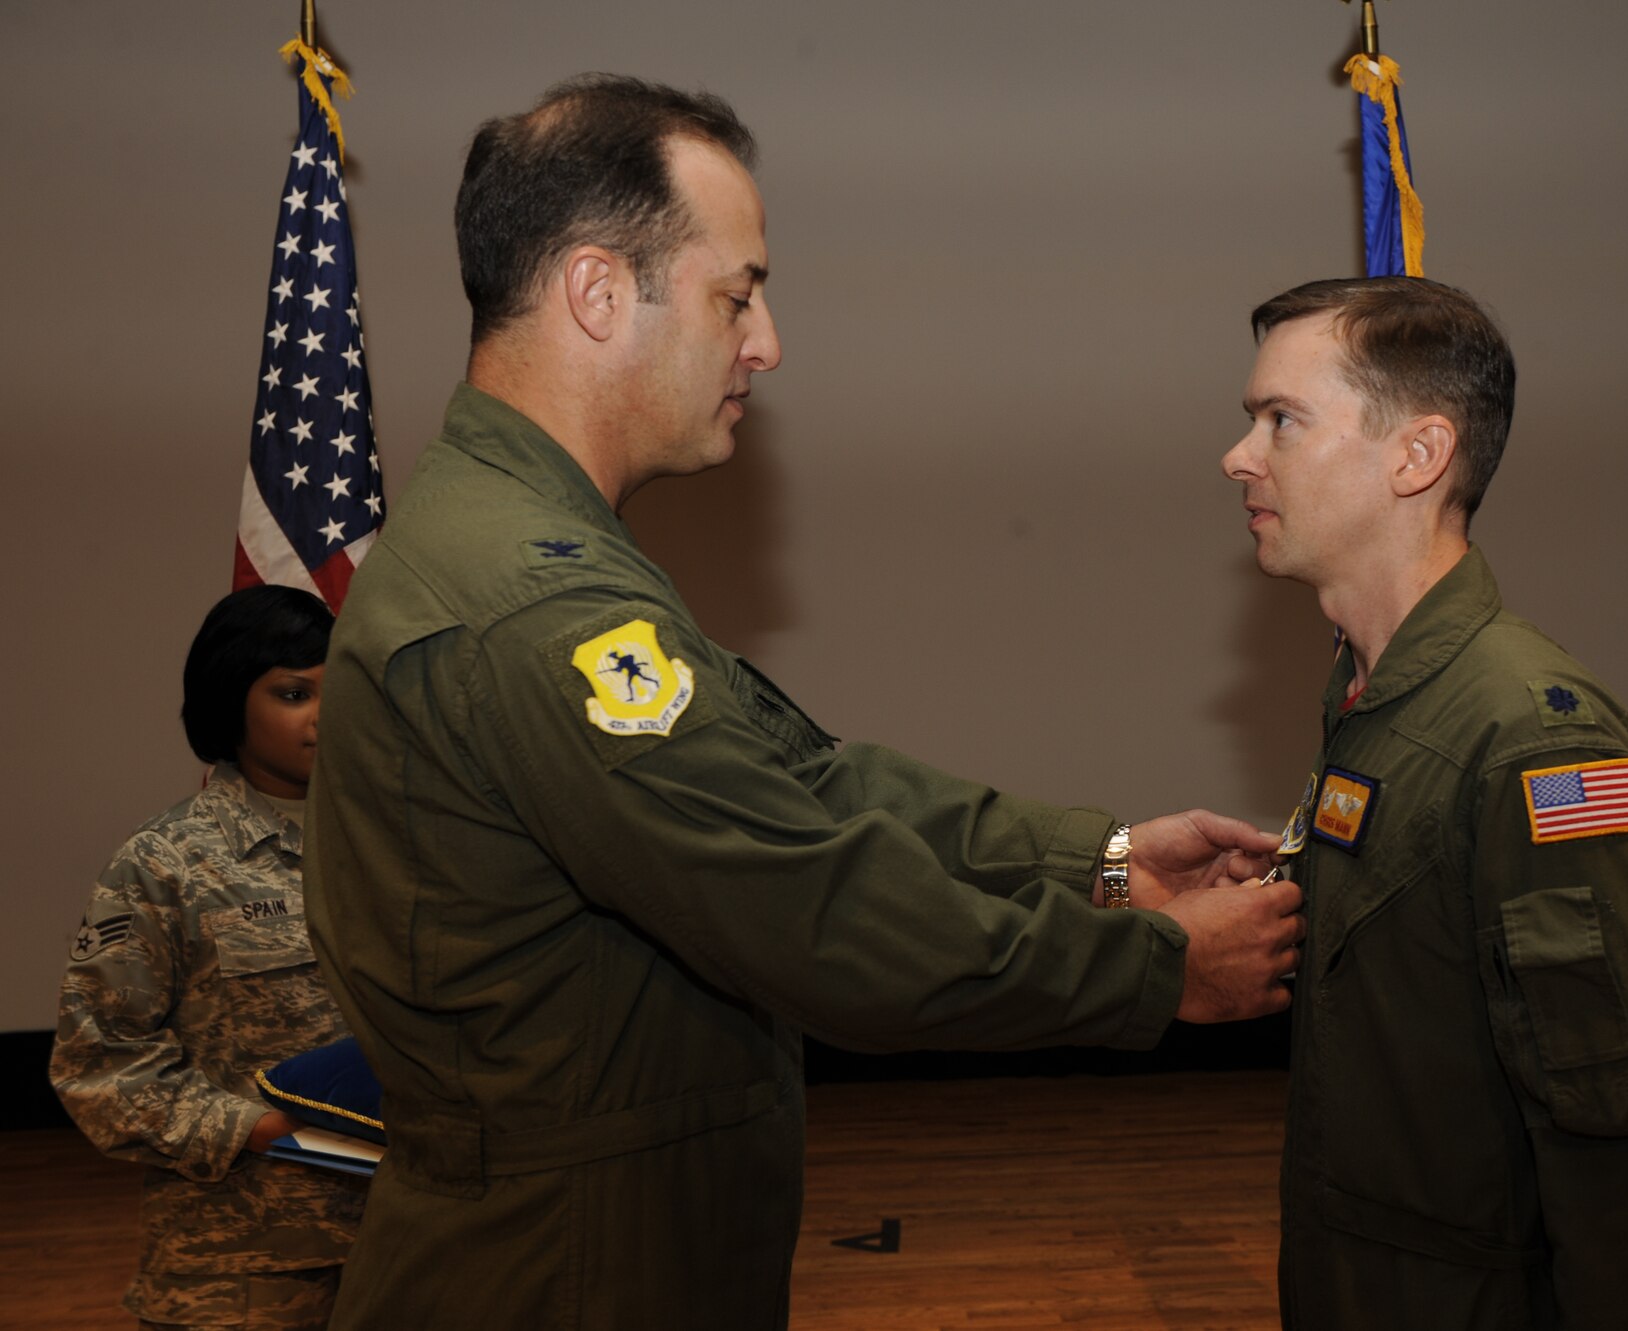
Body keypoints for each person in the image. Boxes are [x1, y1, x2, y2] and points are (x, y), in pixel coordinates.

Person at [305, 74, 1303, 1329]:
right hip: (563, 1271)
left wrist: (1099, 861)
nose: (765, 343)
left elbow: (810, 785)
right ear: (598, 293)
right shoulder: (536, 602)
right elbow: (810, 906)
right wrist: (1157, 969)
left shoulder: (533, 549)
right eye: (736, 296)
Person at [1221, 277, 1628, 1328]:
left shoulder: (1534, 742)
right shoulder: (1373, 696)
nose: (1238, 456)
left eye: (1281, 420)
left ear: (1417, 455)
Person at [52, 586, 366, 1330]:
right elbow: (100, 1066)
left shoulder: (399, 845)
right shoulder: (165, 862)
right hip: (243, 1262)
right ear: (231, 702)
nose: (325, 715)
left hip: (406, 1248)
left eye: (342, 690)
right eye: (294, 693)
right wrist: (262, 1130)